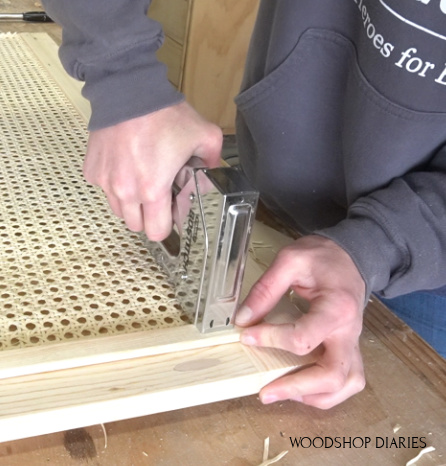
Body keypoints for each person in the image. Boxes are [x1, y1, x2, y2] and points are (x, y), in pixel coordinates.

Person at [41, 0, 446, 409]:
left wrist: (378, 246)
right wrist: (125, 75)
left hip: (428, 259)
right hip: (282, 195)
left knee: (406, 397)